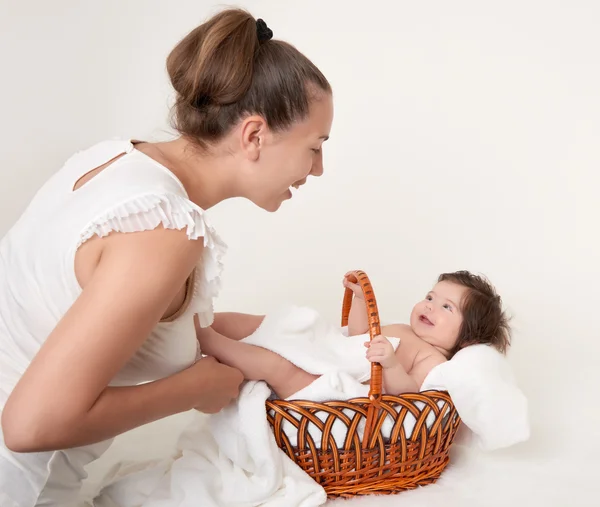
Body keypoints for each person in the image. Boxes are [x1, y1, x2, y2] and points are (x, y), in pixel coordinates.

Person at [0, 8, 333, 506]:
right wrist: (193, 389)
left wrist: (313, 338)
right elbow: (29, 425)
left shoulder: (115, 161)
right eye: (315, 146)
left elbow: (120, 320)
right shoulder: (162, 231)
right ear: (254, 135)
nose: (320, 169)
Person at [196, 270, 512, 399]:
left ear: (467, 340)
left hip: (332, 380)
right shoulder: (403, 329)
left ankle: (211, 341)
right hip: (331, 350)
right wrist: (360, 299)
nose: (430, 307)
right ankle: (203, 321)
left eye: (447, 308)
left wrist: (391, 366)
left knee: (278, 365)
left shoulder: (433, 358)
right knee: (278, 322)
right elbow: (358, 334)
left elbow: (410, 396)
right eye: (430, 298)